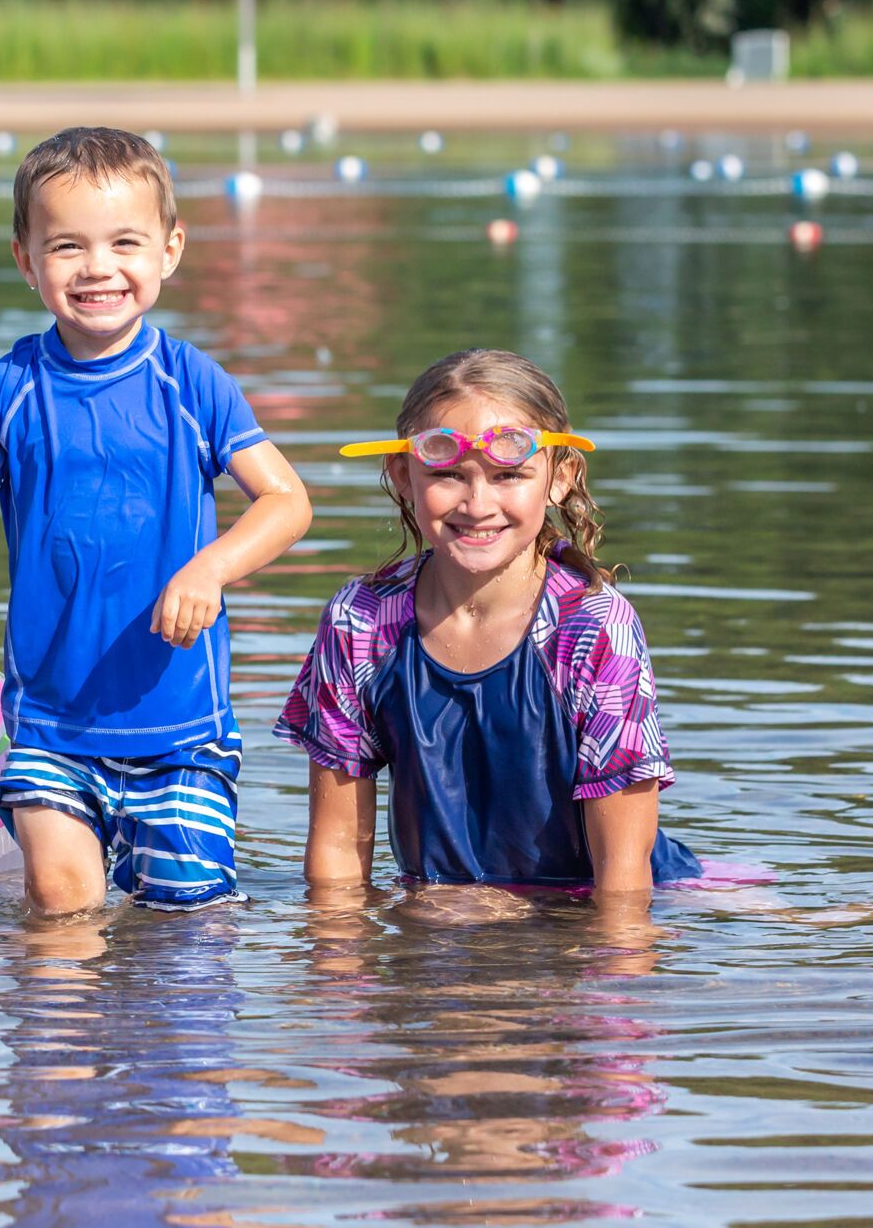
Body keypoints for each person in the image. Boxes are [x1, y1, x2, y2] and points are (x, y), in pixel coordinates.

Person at [0, 126, 311, 916]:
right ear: (26, 260)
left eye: (124, 242)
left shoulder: (193, 383)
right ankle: (62, 1041)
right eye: (67, 247)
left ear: (169, 249)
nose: (98, 267)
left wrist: (210, 569)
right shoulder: (9, 388)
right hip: (52, 724)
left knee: (182, 928)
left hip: (180, 725)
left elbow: (287, 501)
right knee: (61, 906)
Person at [277, 347, 703, 895]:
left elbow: (624, 884)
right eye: (449, 475)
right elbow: (336, 856)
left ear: (559, 477)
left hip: (592, 895)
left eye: (509, 475)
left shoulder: (592, 628)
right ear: (403, 475)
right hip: (445, 904)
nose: (478, 505)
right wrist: (337, 971)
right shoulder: (361, 621)